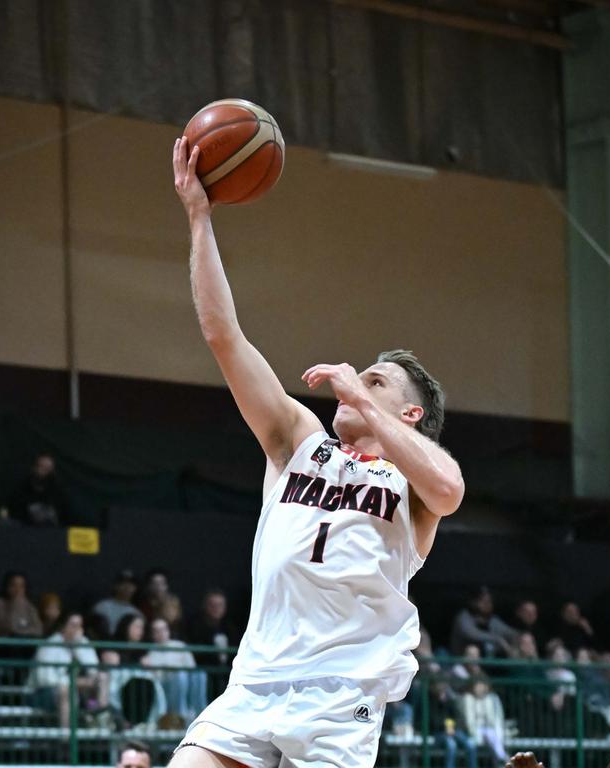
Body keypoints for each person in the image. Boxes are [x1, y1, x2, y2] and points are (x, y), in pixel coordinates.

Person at [169, 135, 465, 768]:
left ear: (409, 414)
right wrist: (199, 217)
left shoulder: (411, 481)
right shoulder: (299, 441)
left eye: (378, 381)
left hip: (339, 700)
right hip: (254, 683)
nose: (356, 382)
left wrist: (359, 393)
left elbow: (448, 490)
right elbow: (224, 335)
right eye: (359, 375)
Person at [28, 611, 109, 727]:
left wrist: (77, 648)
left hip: (82, 696)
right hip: (44, 694)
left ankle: (99, 715)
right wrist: (75, 682)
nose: (76, 629)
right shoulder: (49, 645)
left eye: (79, 626)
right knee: (67, 691)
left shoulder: (83, 642)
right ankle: (67, 738)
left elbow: (93, 670)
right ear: (63, 627)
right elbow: (45, 680)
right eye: (73, 625)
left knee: (102, 678)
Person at [450, 586, 520, 658]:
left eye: (489, 601)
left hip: (486, 664)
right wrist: (499, 640)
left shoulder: (492, 620)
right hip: (462, 663)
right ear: (473, 602)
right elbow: (472, 634)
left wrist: (517, 644)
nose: (487, 604)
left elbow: (511, 633)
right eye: (483, 601)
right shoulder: (463, 617)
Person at [11, 454, 70, 526]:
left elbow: (64, 518)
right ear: (34, 468)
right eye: (42, 467)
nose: (45, 471)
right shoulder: (21, 489)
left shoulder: (59, 492)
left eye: (48, 469)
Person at [94, 569, 144, 637]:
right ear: (115, 586)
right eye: (123, 583)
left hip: (127, 647)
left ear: (135, 588)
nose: (127, 587)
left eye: (131, 584)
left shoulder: (137, 613)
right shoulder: (102, 607)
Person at [137, 569, 184, 638]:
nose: (158, 587)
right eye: (154, 583)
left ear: (166, 586)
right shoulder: (142, 605)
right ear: (148, 586)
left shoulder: (173, 602)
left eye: (162, 583)